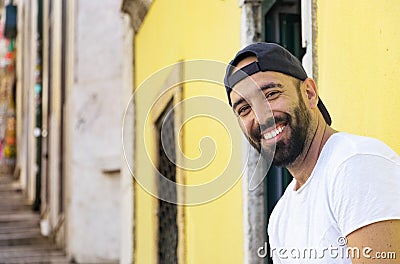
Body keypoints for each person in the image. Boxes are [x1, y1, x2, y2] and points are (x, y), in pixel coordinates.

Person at [224, 42, 400, 263]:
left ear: (309, 93)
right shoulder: (280, 217)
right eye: (244, 109)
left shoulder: (355, 164)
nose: (260, 117)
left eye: (271, 94)